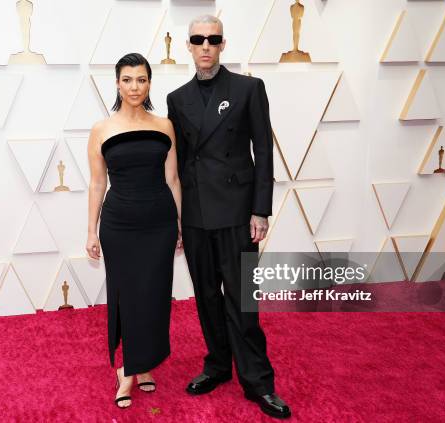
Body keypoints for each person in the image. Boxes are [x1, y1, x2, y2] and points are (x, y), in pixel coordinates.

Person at [166, 15, 291, 419]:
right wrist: (178, 219)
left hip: (238, 214)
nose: (205, 46)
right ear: (188, 45)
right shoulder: (177, 98)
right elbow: (179, 163)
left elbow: (263, 151)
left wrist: (261, 210)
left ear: (222, 44)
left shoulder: (248, 88)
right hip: (198, 214)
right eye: (198, 39)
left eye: (212, 39)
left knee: (243, 303)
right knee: (206, 299)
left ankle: (258, 382)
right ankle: (218, 366)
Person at [86, 53, 182, 409]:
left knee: (155, 294)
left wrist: (180, 225)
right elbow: (97, 183)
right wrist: (91, 231)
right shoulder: (102, 129)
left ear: (149, 84)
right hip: (119, 223)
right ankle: (126, 371)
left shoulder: (164, 125)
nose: (134, 87)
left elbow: (173, 179)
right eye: (127, 80)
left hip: (159, 221)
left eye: (141, 80)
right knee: (127, 295)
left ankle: (144, 365)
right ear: (117, 83)